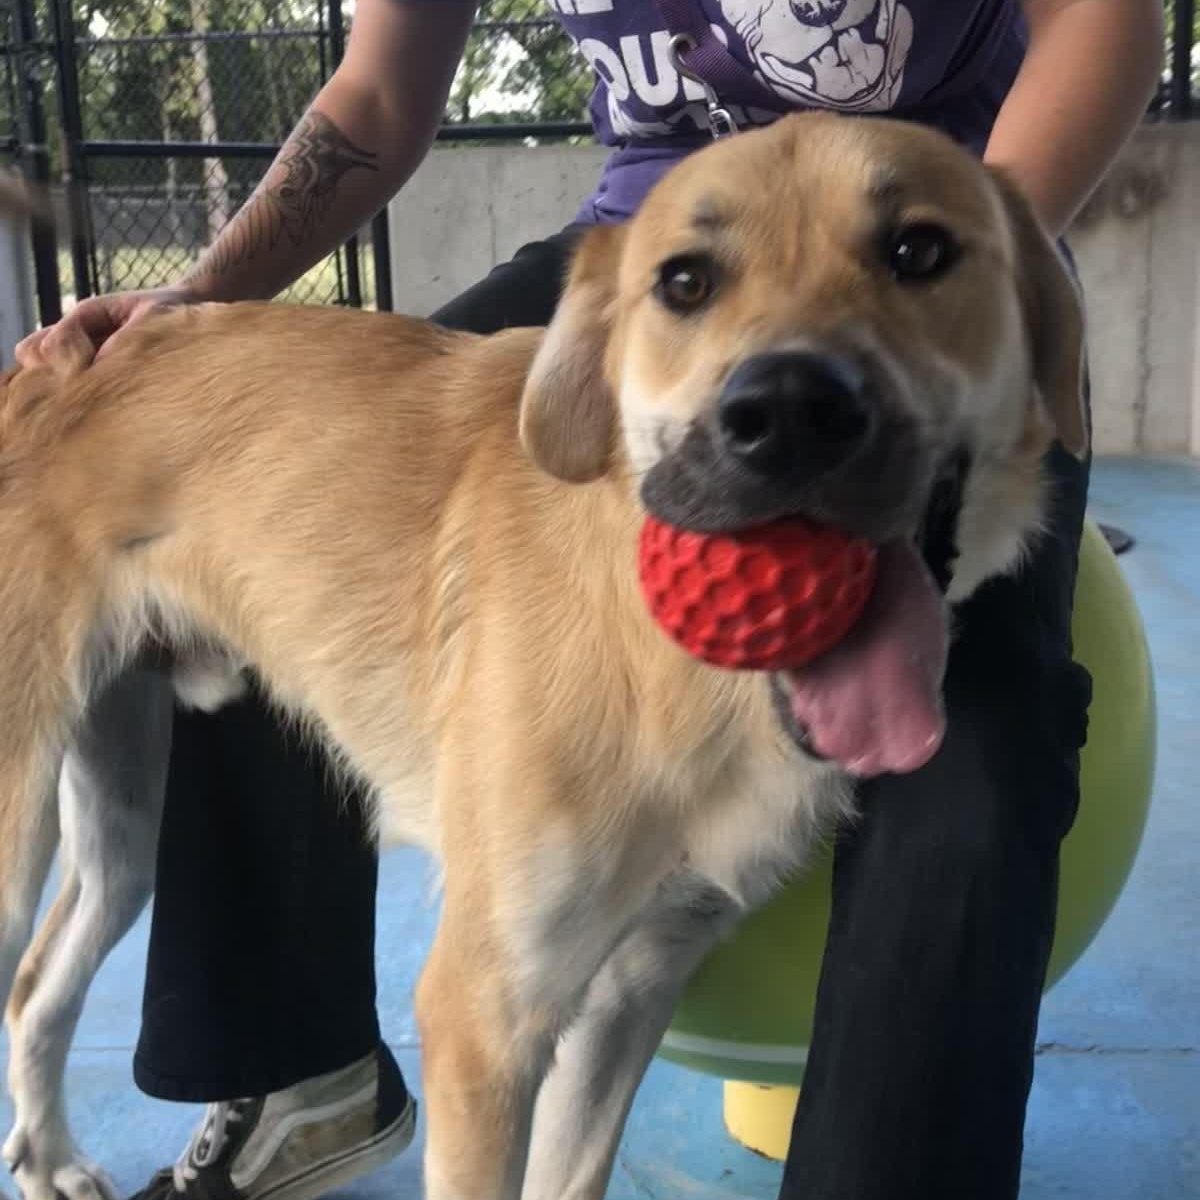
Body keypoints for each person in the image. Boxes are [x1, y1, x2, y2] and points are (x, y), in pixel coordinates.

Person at [17, 2, 1162, 1199]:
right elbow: (379, 88)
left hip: (979, 200)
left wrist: (988, 237)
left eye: (912, 252)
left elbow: (1103, 19)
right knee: (296, 483)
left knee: (977, 773)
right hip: (638, 243)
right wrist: (206, 291)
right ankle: (302, 1074)